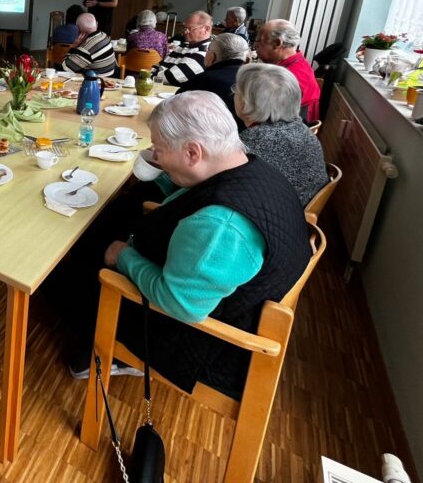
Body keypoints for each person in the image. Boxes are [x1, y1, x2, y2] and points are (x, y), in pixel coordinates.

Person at [65, 92, 312, 396]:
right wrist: (166, 171)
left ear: (193, 153)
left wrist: (124, 257)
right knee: (113, 222)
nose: (154, 154)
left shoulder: (221, 226)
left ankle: (94, 356)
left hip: (198, 345)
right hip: (232, 300)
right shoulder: (248, 168)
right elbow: (199, 195)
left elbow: (181, 305)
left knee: (80, 264)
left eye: (158, 149)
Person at [234, 63, 328, 207]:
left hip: (279, 216)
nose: (234, 94)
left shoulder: (254, 141)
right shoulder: (299, 126)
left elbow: (228, 185)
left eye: (237, 91)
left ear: (245, 103)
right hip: (298, 209)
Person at [254, 19, 320, 122]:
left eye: (259, 41)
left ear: (277, 43)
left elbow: (267, 117)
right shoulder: (293, 63)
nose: (255, 46)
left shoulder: (293, 77)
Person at [177, 33, 248, 127]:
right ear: (246, 58)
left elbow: (174, 110)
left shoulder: (202, 81)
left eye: (207, 51)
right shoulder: (255, 79)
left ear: (211, 56)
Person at [153, 10, 214, 86]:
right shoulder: (182, 46)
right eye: (185, 28)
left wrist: (149, 76)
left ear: (206, 29)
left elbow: (170, 78)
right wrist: (149, 74)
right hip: (157, 87)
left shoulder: (206, 52)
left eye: (190, 29)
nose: (185, 32)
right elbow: (158, 66)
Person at [62, 13, 115, 77]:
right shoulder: (103, 35)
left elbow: (66, 67)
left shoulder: (86, 48)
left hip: (97, 81)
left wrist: (73, 47)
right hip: (110, 76)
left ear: (78, 30)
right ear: (96, 24)